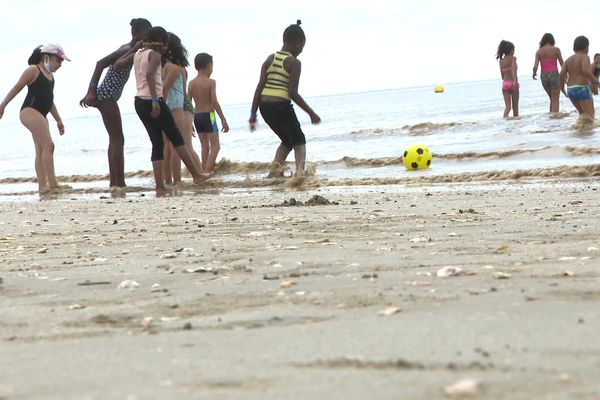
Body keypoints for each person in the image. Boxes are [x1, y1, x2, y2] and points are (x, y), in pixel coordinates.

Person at [129, 26, 209, 196]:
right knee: (178, 139)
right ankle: (197, 175)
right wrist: (156, 101)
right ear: (161, 42)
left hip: (139, 101)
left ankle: (160, 186)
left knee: (157, 143)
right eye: (165, 43)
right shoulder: (155, 55)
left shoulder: (138, 54)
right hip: (153, 100)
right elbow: (151, 75)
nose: (165, 48)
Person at [79, 18, 152, 188]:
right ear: (136, 34)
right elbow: (100, 64)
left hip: (108, 96)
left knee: (114, 139)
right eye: (147, 34)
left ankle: (115, 182)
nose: (148, 38)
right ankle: (120, 182)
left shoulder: (131, 49)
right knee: (118, 138)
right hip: (106, 95)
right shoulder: (126, 49)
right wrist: (91, 91)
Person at [249, 20, 321, 177]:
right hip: (281, 105)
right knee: (299, 140)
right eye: (302, 47)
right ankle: (300, 174)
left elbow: (259, 88)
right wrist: (311, 113)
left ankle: (273, 173)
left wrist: (253, 114)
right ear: (297, 43)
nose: (301, 50)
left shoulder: (269, 59)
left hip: (264, 108)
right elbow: (292, 92)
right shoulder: (294, 63)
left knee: (287, 141)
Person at [0, 44, 70, 194]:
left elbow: (49, 100)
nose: (60, 65)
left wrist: (58, 120)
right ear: (47, 57)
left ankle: (43, 187)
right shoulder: (33, 70)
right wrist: (3, 104)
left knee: (41, 150)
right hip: (29, 112)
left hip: (42, 115)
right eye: (58, 60)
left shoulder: (51, 77)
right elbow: (17, 87)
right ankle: (53, 185)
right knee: (49, 146)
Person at [188, 53, 229, 174]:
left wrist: (190, 123)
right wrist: (223, 119)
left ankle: (202, 171)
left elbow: (189, 104)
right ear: (209, 66)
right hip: (209, 115)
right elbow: (214, 101)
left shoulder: (191, 83)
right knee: (216, 146)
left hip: (197, 117)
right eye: (212, 66)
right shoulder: (211, 82)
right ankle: (207, 171)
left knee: (204, 146)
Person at [559, 36, 598, 122]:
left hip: (571, 90)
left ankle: (580, 133)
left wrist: (562, 89)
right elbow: (585, 71)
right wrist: (595, 81)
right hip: (582, 88)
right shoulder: (585, 57)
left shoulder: (568, 60)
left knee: (582, 115)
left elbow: (561, 75)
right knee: (590, 115)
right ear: (586, 47)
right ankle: (587, 134)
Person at [532, 33, 564, 113]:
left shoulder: (539, 52)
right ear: (552, 40)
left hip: (544, 76)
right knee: (555, 99)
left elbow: (535, 66)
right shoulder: (556, 50)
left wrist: (534, 73)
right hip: (554, 75)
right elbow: (562, 63)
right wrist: (566, 74)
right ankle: (555, 119)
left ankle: (551, 120)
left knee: (552, 99)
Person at [497, 40, 519, 118]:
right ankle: (516, 124)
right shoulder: (513, 58)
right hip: (512, 83)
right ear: (511, 50)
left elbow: (502, 76)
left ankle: (505, 121)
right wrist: (515, 81)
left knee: (508, 107)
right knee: (515, 107)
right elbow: (513, 69)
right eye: (513, 50)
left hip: (505, 84)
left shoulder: (501, 61)